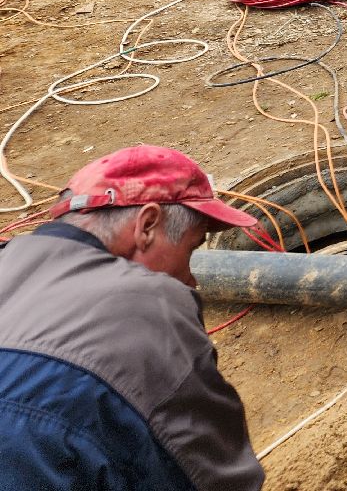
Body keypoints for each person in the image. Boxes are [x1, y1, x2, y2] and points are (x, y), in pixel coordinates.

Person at [0, 145, 266, 491]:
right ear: (147, 225)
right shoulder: (150, 305)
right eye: (192, 247)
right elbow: (215, 478)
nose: (192, 279)